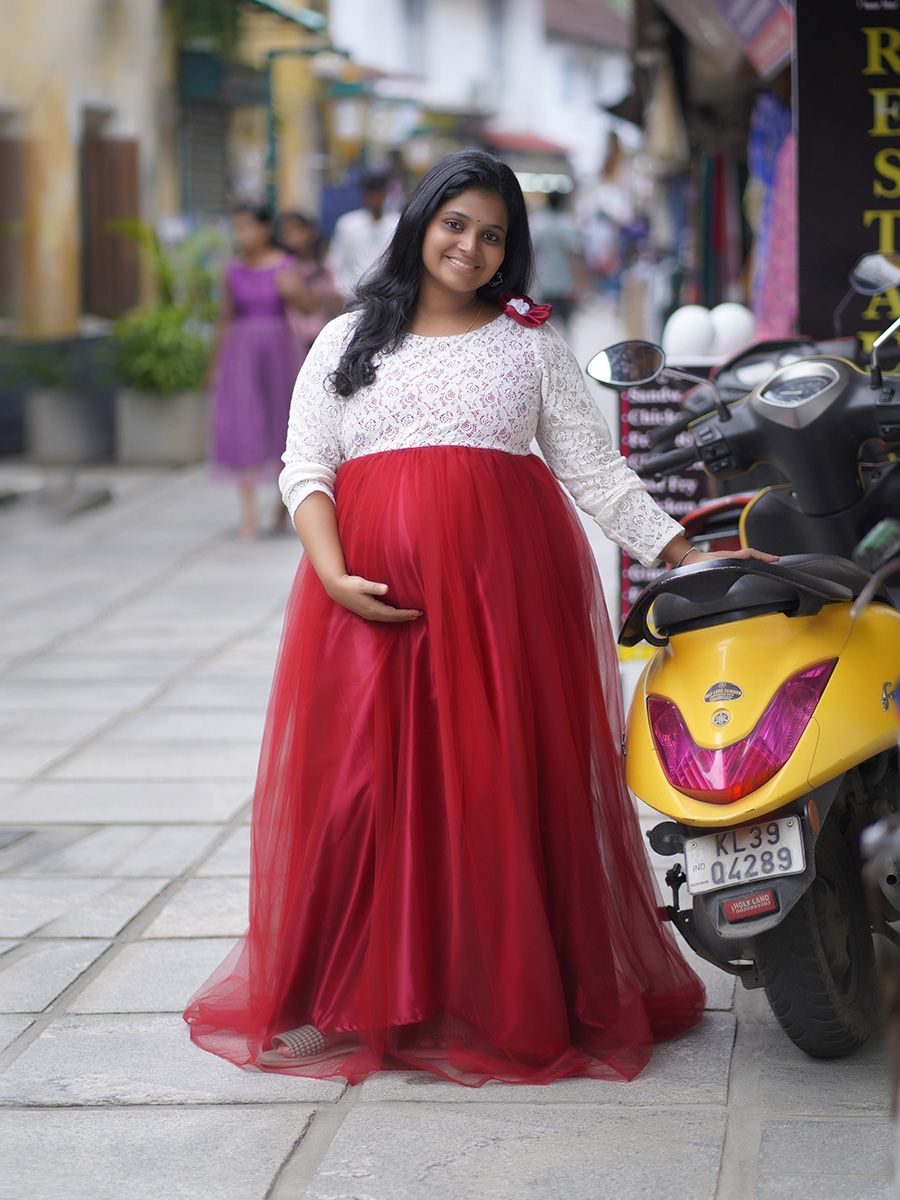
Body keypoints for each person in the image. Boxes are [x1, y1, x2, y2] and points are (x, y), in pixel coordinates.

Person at [183, 150, 775, 1086]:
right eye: (455, 223)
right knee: (367, 791)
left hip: (504, 608)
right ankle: (361, 994)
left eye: (492, 234)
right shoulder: (346, 340)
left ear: (510, 252)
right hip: (370, 605)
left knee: (496, 784)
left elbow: (596, 474)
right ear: (420, 222)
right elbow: (307, 466)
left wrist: (682, 552)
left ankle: (496, 992)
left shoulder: (527, 342)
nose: (469, 245)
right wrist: (332, 572)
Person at [207, 204, 303, 540]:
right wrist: (216, 365)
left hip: (278, 354)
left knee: (282, 425)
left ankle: (281, 506)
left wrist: (293, 291)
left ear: (265, 229)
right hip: (241, 356)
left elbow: (308, 306)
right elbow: (224, 317)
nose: (242, 235)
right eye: (237, 228)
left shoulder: (285, 266)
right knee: (244, 426)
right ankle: (249, 516)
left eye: (247, 227)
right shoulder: (233, 271)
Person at [275, 211, 342, 364]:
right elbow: (304, 302)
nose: (292, 237)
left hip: (322, 333)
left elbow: (334, 299)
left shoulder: (324, 266)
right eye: (286, 232)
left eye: (297, 230)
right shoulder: (284, 267)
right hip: (293, 337)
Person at [325, 171, 400, 300]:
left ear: (385, 194)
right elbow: (334, 262)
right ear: (363, 196)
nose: (375, 198)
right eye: (371, 194)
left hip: (388, 298)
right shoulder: (348, 224)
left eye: (378, 193)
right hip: (352, 297)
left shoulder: (397, 223)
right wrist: (340, 292)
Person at [530, 190, 586, 337]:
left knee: (545, 324)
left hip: (545, 283)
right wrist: (578, 282)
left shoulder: (540, 225)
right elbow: (574, 256)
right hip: (565, 284)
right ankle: (566, 354)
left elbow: (533, 253)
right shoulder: (568, 225)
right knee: (567, 325)